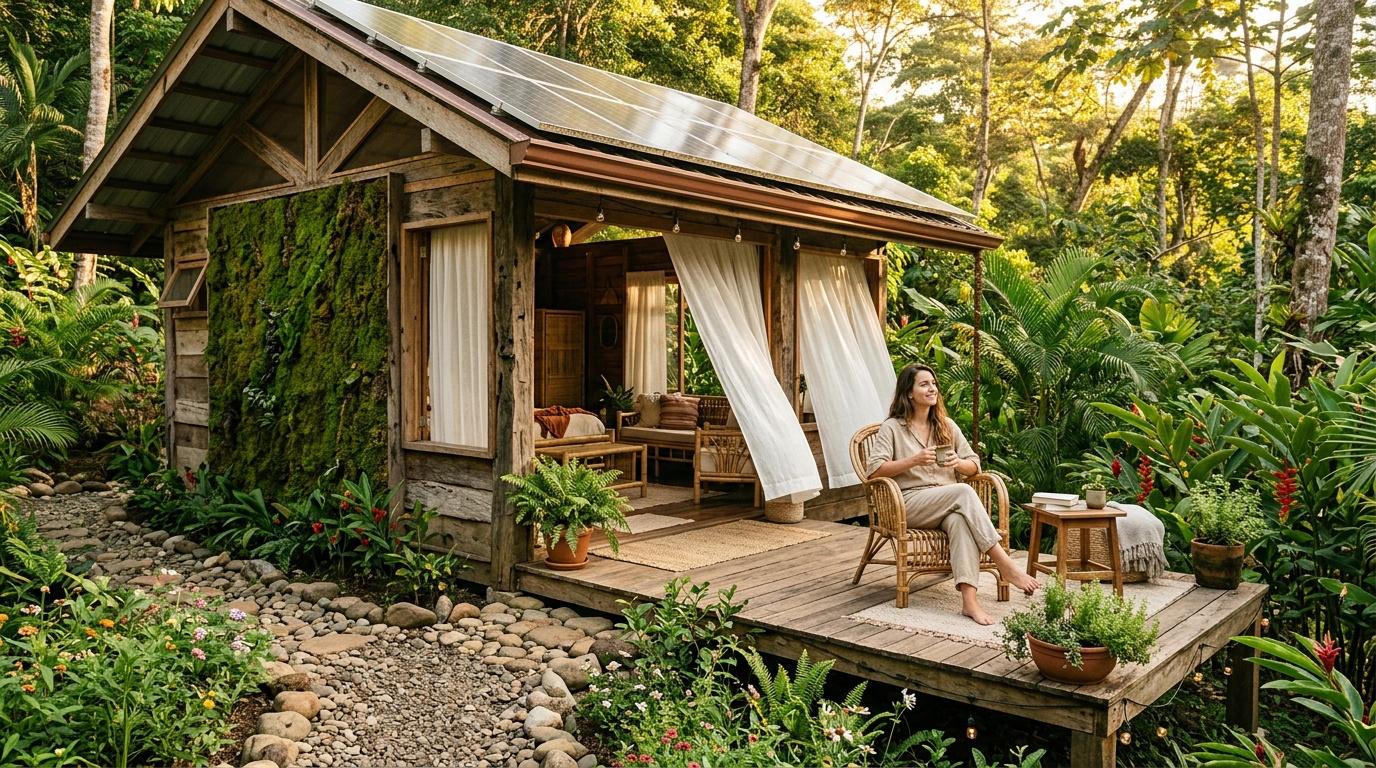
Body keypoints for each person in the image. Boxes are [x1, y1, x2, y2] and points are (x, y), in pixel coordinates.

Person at [865, 364, 1039, 625]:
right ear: (909, 393)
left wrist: (957, 463)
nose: (932, 388)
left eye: (934, 383)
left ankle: (970, 603)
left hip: (948, 502)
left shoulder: (946, 426)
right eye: (924, 384)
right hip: (909, 503)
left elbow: (974, 465)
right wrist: (913, 461)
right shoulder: (892, 427)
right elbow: (874, 471)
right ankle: (1005, 563)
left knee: (960, 521)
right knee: (963, 492)